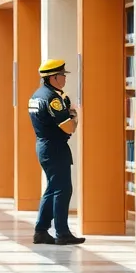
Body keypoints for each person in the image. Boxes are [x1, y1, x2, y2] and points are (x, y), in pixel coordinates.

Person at [28, 59, 85, 246]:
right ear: (53, 77)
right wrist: (75, 116)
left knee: (53, 188)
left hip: (44, 145)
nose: (64, 79)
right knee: (62, 189)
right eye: (62, 75)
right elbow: (68, 128)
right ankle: (62, 232)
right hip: (54, 147)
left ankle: (41, 231)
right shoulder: (52, 98)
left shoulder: (37, 95)